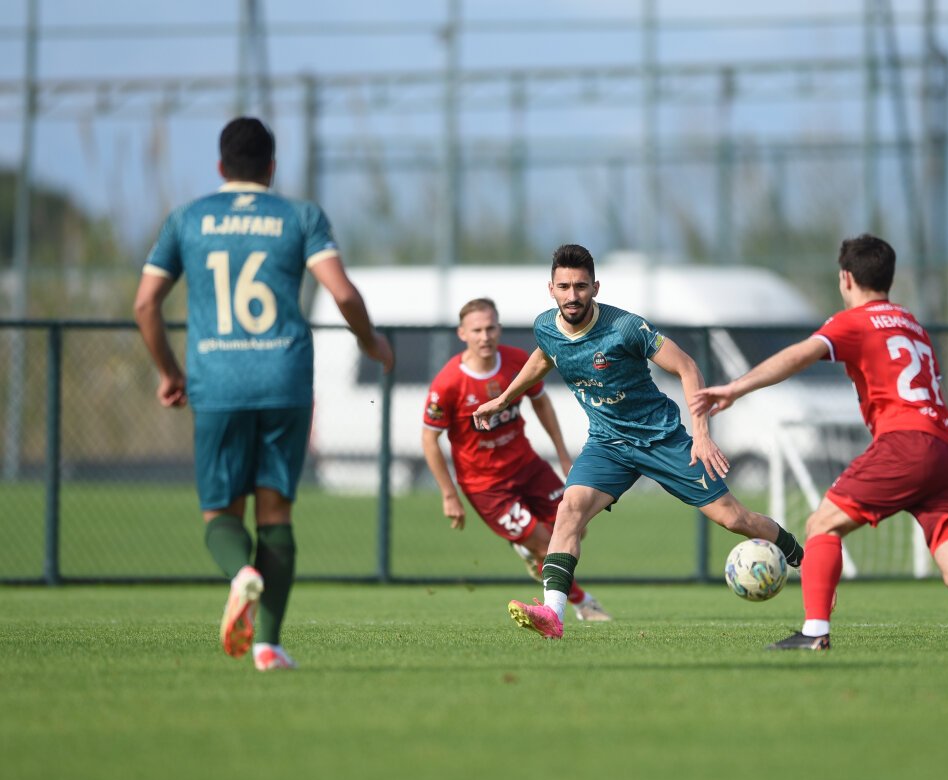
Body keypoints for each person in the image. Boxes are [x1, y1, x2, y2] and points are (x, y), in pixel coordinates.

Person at [691, 233, 948, 651]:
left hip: (906, 444)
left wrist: (736, 388)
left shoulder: (854, 321)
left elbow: (800, 354)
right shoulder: (913, 325)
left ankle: (814, 632)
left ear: (846, 278)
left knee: (821, 525)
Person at [133, 117, 394, 671]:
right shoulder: (300, 216)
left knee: (219, 514)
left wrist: (169, 372)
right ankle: (268, 646)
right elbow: (343, 293)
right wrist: (370, 342)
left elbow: (145, 303)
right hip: (284, 380)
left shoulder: (187, 218)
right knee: (276, 514)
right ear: (272, 167)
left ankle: (240, 573)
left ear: (220, 166)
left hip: (217, 381)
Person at [473, 243, 804, 639]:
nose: (572, 295)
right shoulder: (545, 326)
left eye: (580, 286)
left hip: (661, 438)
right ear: (551, 289)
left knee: (734, 519)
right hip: (607, 444)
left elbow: (687, 366)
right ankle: (552, 614)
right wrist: (504, 399)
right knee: (570, 509)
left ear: (595, 287)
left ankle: (804, 559)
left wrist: (701, 435)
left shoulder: (626, 327)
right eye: (564, 287)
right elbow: (545, 356)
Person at [421, 297, 611, 622]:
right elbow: (429, 439)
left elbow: (541, 403)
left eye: (490, 328)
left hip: (527, 467)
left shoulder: (517, 361)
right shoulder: (449, 382)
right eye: (477, 330)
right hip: (486, 486)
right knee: (545, 545)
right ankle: (584, 604)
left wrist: (563, 456)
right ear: (462, 333)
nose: (485, 336)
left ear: (499, 328)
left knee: (576, 527)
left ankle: (527, 550)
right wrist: (449, 494)